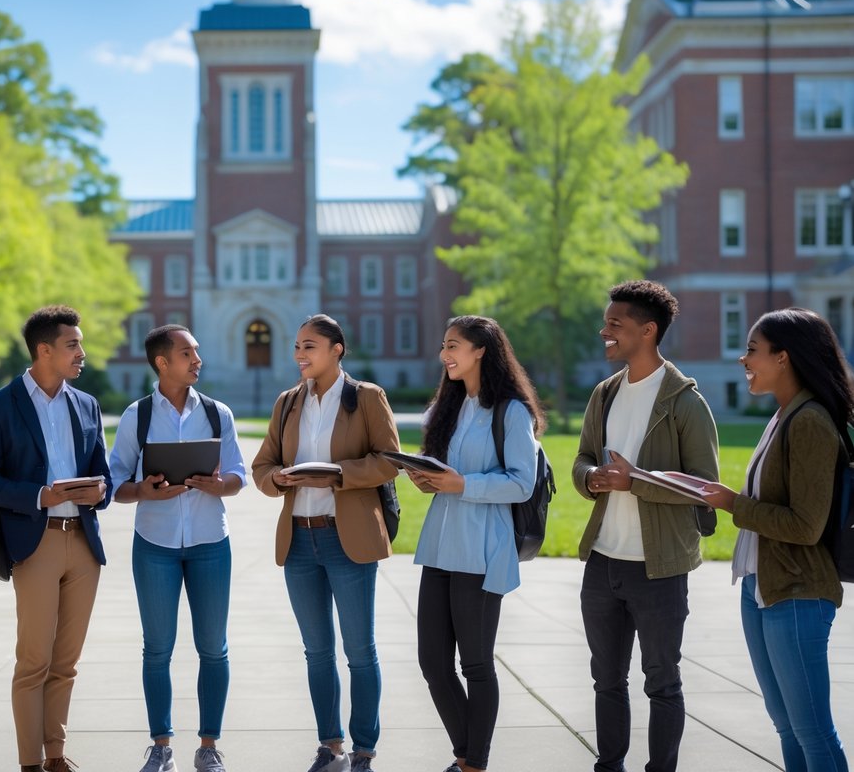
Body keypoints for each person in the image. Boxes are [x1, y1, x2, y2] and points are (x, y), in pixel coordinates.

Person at [572, 280, 719, 772]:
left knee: (662, 681)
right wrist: (593, 477)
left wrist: (635, 482)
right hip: (603, 562)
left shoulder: (685, 403)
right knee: (606, 680)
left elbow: (703, 486)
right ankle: (608, 766)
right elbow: (583, 459)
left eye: (616, 324)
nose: (604, 331)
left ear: (648, 330)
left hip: (659, 568)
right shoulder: (605, 393)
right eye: (606, 322)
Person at [699, 308, 849, 772]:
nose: (744, 360)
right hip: (760, 588)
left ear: (783, 357)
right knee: (786, 727)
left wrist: (732, 504)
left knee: (812, 731)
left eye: (752, 351)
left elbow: (806, 525)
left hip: (798, 594)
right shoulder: (785, 415)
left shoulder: (809, 421)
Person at [251, 314, 401, 772]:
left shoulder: (367, 398)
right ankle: (330, 746)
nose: (299, 354)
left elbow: (390, 461)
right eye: (297, 346)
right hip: (299, 541)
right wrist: (277, 477)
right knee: (316, 652)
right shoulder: (287, 403)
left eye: (309, 346)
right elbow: (262, 467)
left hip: (347, 539)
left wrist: (339, 476)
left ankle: (363, 751)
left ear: (337, 349)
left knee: (359, 651)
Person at [0, 305, 111, 772]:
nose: (82, 353)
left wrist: (99, 489)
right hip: (37, 543)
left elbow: (103, 475)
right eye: (73, 345)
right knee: (34, 660)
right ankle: (29, 762)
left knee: (66, 662)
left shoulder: (86, 404)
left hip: (83, 546)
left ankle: (56, 755)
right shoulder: (0, 403)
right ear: (44, 350)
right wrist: (39, 496)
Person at [408, 316, 542, 772]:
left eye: (454, 346)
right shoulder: (450, 406)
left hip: (481, 552)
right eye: (444, 346)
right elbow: (449, 477)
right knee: (432, 664)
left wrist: (462, 483)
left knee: (476, 665)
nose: (445, 354)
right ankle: (469, 755)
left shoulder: (510, 411)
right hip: (440, 547)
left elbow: (522, 484)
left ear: (481, 350)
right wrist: (430, 480)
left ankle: (472, 762)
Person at [109, 325, 245, 772]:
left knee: (214, 648)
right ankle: (161, 746)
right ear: (162, 362)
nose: (197, 360)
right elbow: (116, 483)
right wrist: (144, 491)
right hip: (154, 545)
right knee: (157, 649)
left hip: (210, 543)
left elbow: (237, 477)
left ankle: (208, 747)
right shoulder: (138, 416)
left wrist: (218, 484)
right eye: (187, 353)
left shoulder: (217, 413)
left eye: (198, 352)